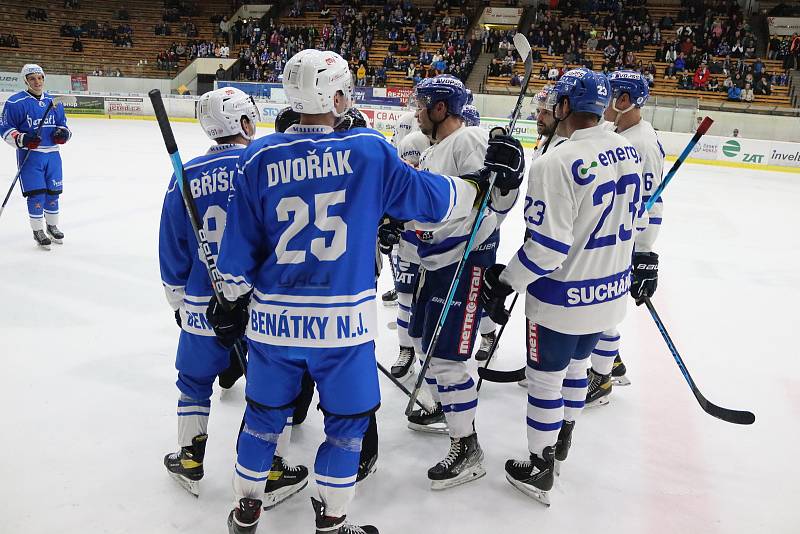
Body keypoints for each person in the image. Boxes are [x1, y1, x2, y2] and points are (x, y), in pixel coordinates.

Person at [207, 49, 518, 534]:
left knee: (264, 419)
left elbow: (236, 254)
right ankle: (331, 521)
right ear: (336, 96)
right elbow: (431, 199)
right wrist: (481, 187)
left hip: (273, 326)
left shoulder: (257, 156)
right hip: (343, 328)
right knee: (347, 426)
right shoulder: (368, 150)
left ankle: (246, 512)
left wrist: (227, 299)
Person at [479, 68, 645, 506]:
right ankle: (564, 436)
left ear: (566, 107)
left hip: (562, 295)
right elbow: (639, 215)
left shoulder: (556, 161)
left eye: (555, 101)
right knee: (577, 369)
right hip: (609, 291)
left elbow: (548, 248)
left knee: (544, 382)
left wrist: (506, 280)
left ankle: (540, 463)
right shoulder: (625, 150)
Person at [159, 87, 309, 507]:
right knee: (271, 387)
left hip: (201, 301)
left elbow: (172, 245)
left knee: (193, 381)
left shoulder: (186, 174)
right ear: (245, 123)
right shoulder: (263, 164)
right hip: (262, 303)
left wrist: (178, 299)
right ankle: (273, 468)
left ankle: (189, 458)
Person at [397, 75, 523, 490]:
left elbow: (495, 206)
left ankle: (466, 445)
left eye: (422, 105)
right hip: (435, 264)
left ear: (439, 108)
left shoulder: (467, 141)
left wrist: (508, 182)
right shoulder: (437, 149)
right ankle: (446, 409)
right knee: (422, 344)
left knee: (448, 357)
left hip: (461, 264)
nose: (417, 112)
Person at [584, 70, 665, 406]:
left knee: (600, 306)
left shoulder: (641, 143)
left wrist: (644, 254)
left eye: (610, 94)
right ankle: (611, 362)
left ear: (625, 101)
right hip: (609, 235)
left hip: (622, 242)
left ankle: (602, 378)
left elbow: (652, 203)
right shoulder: (622, 131)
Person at [0, 64, 70, 249]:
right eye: (32, 78)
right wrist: (22, 138)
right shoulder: (15, 102)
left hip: (53, 155)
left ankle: (52, 226)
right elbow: (5, 128)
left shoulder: (54, 102)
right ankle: (38, 229)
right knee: (36, 194)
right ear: (25, 80)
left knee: (53, 193)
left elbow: (63, 124)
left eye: (40, 78)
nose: (37, 82)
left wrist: (62, 134)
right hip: (31, 156)